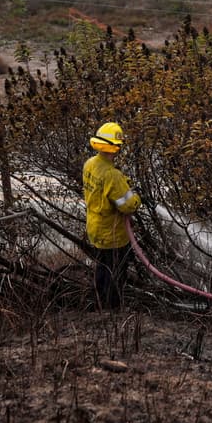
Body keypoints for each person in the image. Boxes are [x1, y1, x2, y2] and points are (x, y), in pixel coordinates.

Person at [83, 121, 142, 309]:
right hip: (113, 233)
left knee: (102, 268)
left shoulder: (90, 164)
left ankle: (100, 302)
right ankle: (113, 309)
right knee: (116, 273)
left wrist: (124, 183)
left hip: (95, 227)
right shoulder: (112, 175)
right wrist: (137, 198)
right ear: (116, 148)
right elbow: (128, 206)